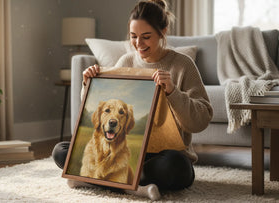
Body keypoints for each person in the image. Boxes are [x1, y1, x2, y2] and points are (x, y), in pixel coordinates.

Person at [52, 0, 213, 200]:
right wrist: (88, 84)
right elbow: (97, 109)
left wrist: (173, 91)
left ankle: (99, 179)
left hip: (163, 157)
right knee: (61, 151)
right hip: (124, 157)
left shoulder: (182, 65)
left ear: (163, 31)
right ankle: (135, 186)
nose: (138, 44)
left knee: (175, 166)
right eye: (133, 37)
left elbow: (201, 120)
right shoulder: (126, 62)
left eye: (146, 37)